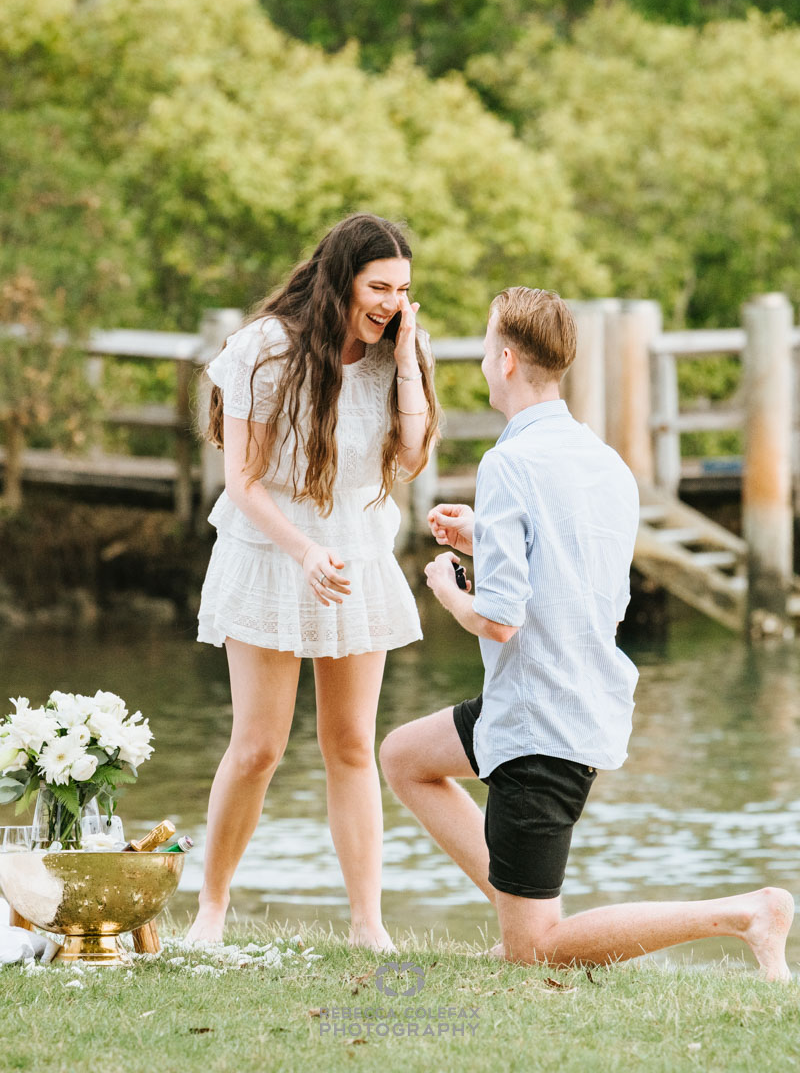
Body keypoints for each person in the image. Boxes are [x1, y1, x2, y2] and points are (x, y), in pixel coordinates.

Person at [380, 286, 794, 979]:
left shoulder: (508, 463)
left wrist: (450, 590)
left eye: (486, 349)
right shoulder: (607, 464)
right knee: (403, 757)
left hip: (540, 719)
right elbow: (572, 570)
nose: (483, 362)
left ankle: (744, 913)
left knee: (534, 951)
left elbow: (501, 619)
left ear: (506, 361)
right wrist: (486, 534)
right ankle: (523, 905)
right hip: (565, 698)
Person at [189, 213, 441, 950]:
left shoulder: (398, 349)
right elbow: (242, 480)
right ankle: (211, 908)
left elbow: (414, 454)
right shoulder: (265, 350)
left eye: (403, 289)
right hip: (271, 553)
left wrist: (404, 366)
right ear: (341, 281)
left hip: (356, 555)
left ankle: (369, 925)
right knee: (259, 747)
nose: (393, 302)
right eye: (378, 286)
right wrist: (304, 552)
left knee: (352, 746)